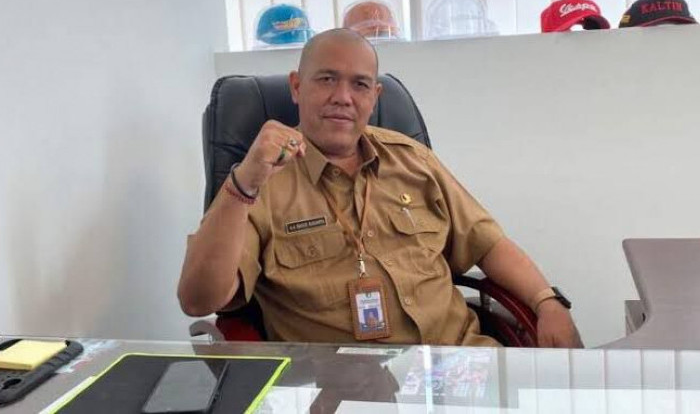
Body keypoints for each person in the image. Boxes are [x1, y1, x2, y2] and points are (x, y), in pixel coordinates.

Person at [178, 28, 583, 348]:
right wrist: (242, 186)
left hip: (462, 365)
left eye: (359, 85)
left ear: (375, 97)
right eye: (327, 79)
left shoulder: (413, 160)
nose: (343, 97)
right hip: (345, 388)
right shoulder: (260, 180)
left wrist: (546, 301)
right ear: (297, 87)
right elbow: (199, 300)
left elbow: (488, 244)